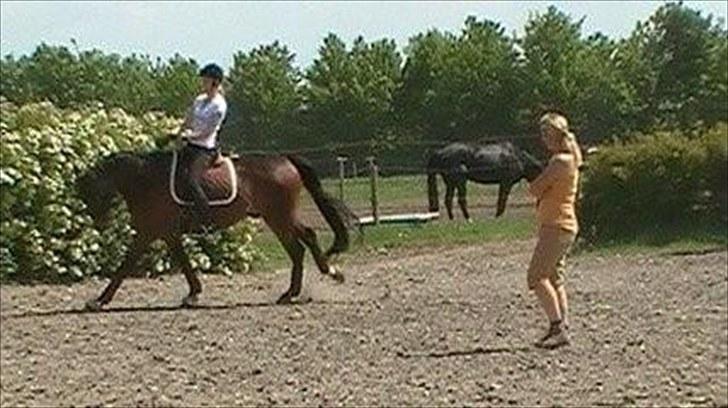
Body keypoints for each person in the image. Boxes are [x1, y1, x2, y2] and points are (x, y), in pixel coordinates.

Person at [526, 112, 583, 349]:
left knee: (536, 276)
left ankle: (557, 326)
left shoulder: (560, 161)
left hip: (556, 225)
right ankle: (560, 326)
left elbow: (536, 189)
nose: (543, 139)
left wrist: (533, 183)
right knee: (554, 278)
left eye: (546, 133)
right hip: (562, 224)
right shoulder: (570, 159)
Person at [178, 63, 228, 228]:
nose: (202, 84)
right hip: (190, 145)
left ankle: (207, 219)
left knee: (192, 181)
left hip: (205, 150)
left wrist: (189, 135)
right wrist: (178, 131)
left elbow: (207, 132)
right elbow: (189, 119)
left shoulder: (219, 106)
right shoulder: (199, 100)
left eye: (205, 81)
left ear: (214, 82)